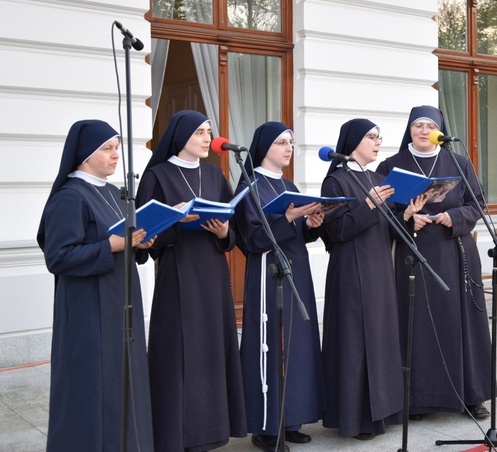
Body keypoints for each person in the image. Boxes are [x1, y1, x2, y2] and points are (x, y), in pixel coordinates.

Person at [37, 119, 154, 451]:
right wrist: (113, 246)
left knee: (122, 384)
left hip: (120, 306)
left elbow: (122, 241)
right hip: (88, 312)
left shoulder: (113, 193)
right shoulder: (70, 197)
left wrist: (138, 243)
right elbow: (58, 257)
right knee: (91, 388)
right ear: (85, 155)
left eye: (117, 148)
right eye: (107, 148)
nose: (116, 155)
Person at [135, 110, 247, 450]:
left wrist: (225, 230)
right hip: (178, 273)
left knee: (213, 353)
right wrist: (176, 219)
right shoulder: (158, 176)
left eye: (208, 131)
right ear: (181, 135)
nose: (206, 138)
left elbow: (233, 229)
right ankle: (175, 434)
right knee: (179, 354)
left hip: (213, 274)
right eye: (200, 132)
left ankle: (210, 432)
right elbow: (144, 234)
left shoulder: (215, 175)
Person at [376, 105, 493, 420]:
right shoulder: (392, 165)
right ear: (410, 130)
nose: (423, 131)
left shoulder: (458, 161)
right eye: (417, 126)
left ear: (439, 130)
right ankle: (417, 399)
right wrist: (407, 219)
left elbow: (477, 204)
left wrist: (451, 216)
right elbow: (382, 213)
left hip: (453, 252)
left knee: (463, 326)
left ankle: (471, 396)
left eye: (429, 126)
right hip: (412, 254)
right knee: (416, 327)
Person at [320, 118, 422, 440]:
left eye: (379, 137)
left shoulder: (379, 179)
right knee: (356, 344)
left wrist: (407, 216)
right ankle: (357, 419)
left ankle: (384, 412)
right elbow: (335, 231)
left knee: (380, 341)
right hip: (350, 272)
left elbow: (390, 230)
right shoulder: (336, 182)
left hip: (379, 270)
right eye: (371, 137)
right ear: (353, 141)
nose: (378, 142)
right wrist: (368, 205)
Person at [233, 122, 325, 452]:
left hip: (296, 269)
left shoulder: (288, 184)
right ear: (264, 147)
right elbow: (253, 240)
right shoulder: (249, 185)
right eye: (282, 142)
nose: (289, 148)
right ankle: (266, 426)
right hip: (267, 275)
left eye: (291, 142)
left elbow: (297, 233)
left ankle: (292, 418)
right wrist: (288, 219)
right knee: (272, 345)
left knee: (297, 345)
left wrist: (311, 225)